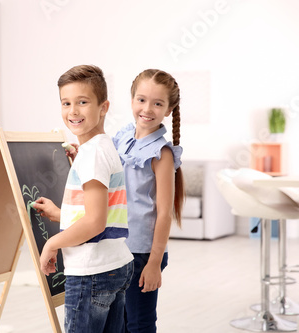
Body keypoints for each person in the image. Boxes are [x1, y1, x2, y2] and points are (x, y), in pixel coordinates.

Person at [33, 65, 134, 333]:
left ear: (104, 107)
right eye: (66, 103)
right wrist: (59, 213)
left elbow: (95, 222)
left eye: (82, 102)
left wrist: (52, 243)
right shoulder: (102, 146)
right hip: (116, 264)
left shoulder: (91, 154)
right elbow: (102, 211)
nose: (73, 111)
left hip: (92, 272)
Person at [113, 69, 185, 333]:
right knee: (118, 322)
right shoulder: (122, 138)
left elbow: (164, 213)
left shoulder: (161, 153)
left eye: (158, 103)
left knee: (139, 323)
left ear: (169, 109)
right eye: (141, 100)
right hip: (118, 246)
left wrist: (155, 262)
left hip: (143, 253)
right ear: (132, 100)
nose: (147, 108)